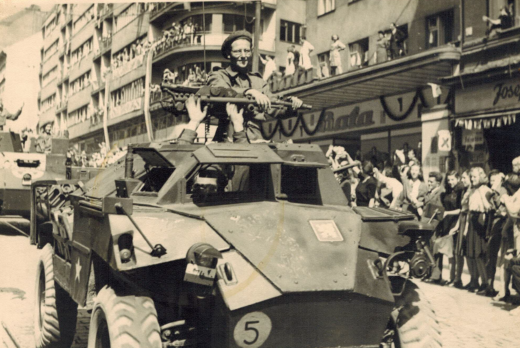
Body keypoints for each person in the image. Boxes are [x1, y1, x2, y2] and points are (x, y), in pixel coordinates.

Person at [207, 30, 303, 143]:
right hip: (227, 140)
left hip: (256, 141)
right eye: (237, 51)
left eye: (247, 51)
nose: (243, 56)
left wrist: (290, 105)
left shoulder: (258, 81)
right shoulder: (218, 76)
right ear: (229, 54)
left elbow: (272, 106)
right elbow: (220, 91)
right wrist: (249, 91)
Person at [464, 167, 493, 295]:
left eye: (474, 177)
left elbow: (489, 208)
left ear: (481, 177)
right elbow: (466, 207)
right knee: (471, 254)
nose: (472, 179)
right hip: (472, 221)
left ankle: (485, 282)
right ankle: (474, 280)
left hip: (481, 221)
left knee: (480, 254)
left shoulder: (486, 190)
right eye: (471, 177)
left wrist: (482, 194)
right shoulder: (471, 190)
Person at [483, 170, 508, 296]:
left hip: (502, 226)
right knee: (490, 256)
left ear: (500, 180)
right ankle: (490, 286)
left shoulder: (503, 191)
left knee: (501, 258)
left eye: (494, 180)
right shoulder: (492, 192)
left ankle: (503, 290)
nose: (492, 183)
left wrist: (494, 195)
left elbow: (502, 209)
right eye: (491, 180)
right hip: (492, 226)